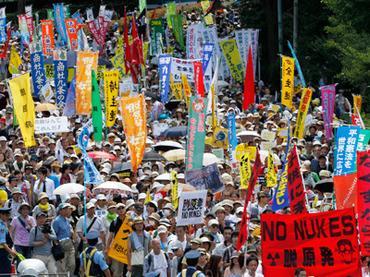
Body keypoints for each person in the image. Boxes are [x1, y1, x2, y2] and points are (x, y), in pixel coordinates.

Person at [52, 202, 75, 274]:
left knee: (72, 264)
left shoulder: (67, 220)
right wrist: (58, 249)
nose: (67, 210)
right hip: (61, 245)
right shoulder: (56, 221)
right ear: (60, 210)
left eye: (67, 209)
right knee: (62, 267)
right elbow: (54, 235)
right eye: (65, 209)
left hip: (69, 244)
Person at [107, 202, 127, 276]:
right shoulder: (114, 222)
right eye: (119, 208)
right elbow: (110, 236)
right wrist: (107, 248)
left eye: (122, 208)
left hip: (129, 248)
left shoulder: (130, 220)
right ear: (116, 211)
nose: (121, 210)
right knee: (117, 270)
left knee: (129, 270)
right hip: (118, 249)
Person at [0, 207, 17, 276]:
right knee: (5, 273)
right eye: (6, 215)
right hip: (2, 252)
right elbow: (2, 242)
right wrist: (11, 251)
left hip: (4, 251)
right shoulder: (1, 226)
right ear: (1, 215)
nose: (8, 216)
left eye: (8, 215)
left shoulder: (4, 224)